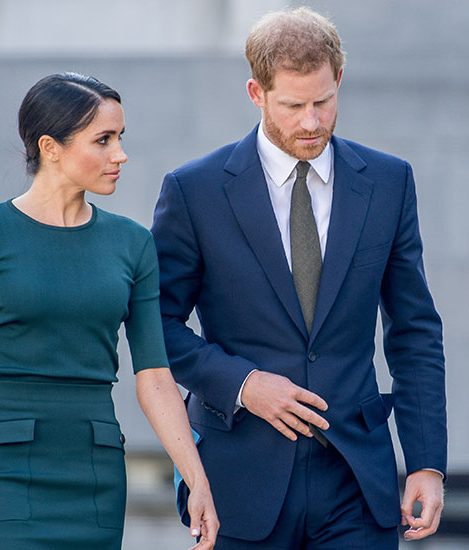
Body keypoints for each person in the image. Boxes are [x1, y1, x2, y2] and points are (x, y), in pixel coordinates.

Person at [151, 7, 446, 549]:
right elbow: (157, 324)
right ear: (256, 93)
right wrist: (243, 385)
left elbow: (415, 329)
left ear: (339, 80)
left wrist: (427, 462)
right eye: (293, 106)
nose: (311, 122)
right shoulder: (194, 191)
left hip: (357, 480)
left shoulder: (389, 181)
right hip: (239, 481)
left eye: (323, 101)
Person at [0, 72, 218, 550]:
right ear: (50, 147)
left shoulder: (133, 244)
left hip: (94, 464)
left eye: (120, 138)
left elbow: (155, 378)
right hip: (0, 464)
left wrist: (196, 480)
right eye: (103, 140)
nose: (119, 154)